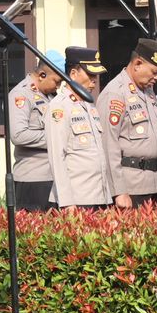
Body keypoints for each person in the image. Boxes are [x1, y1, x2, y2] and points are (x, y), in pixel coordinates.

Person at [100, 37, 157, 208]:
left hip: (155, 184)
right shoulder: (115, 93)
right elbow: (109, 146)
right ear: (137, 64)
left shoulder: (148, 91)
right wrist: (119, 191)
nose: (156, 78)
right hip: (131, 188)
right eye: (154, 72)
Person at [48, 47, 115, 210]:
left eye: (96, 76)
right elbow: (57, 157)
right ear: (73, 74)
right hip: (76, 200)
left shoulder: (89, 105)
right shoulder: (59, 106)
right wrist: (67, 202)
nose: (94, 80)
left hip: (99, 196)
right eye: (90, 75)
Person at [7, 50, 65, 213]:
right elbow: (18, 135)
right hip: (33, 180)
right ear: (42, 75)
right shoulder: (21, 94)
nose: (58, 87)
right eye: (56, 81)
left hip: (53, 176)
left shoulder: (51, 96)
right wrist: (56, 138)